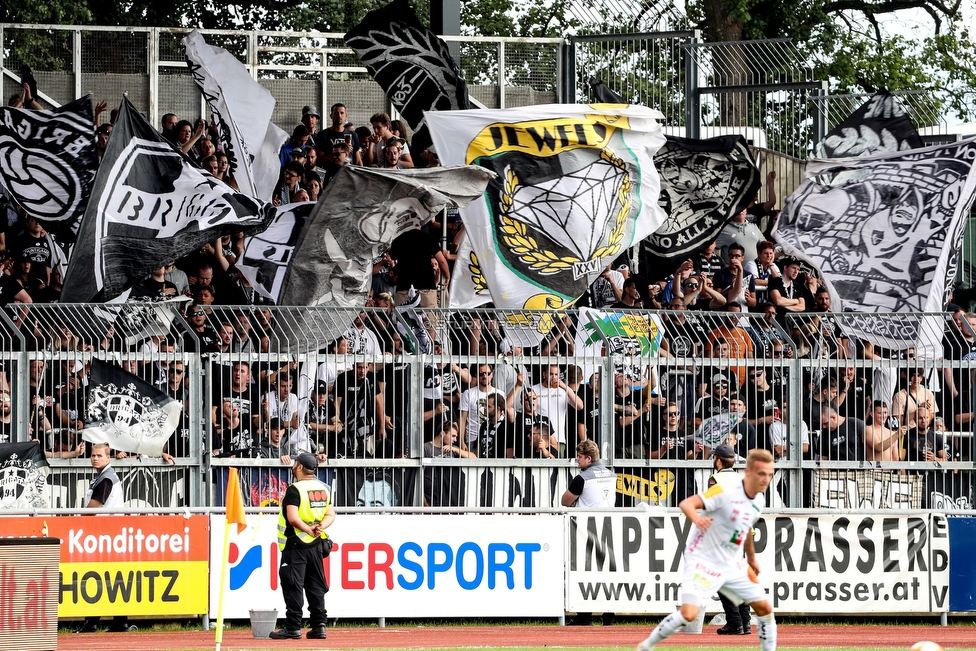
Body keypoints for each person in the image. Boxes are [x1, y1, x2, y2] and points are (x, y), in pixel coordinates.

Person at [636, 449, 777, 651]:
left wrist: (752, 559)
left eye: (770, 474)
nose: (766, 479)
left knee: (765, 609)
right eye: (761, 473)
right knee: (688, 614)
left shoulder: (759, 500)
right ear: (748, 472)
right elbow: (686, 504)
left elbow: (745, 529)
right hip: (703, 559)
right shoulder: (724, 492)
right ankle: (646, 646)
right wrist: (698, 519)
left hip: (731, 561)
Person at [269, 452, 334, 640]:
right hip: (316, 545)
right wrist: (319, 528)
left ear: (298, 467)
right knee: (316, 587)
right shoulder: (323, 489)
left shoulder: (294, 489)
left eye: (295, 462)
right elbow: (331, 515)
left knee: (293, 585)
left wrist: (307, 529)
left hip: (295, 545)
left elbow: (292, 518)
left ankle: (293, 627)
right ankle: (319, 626)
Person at [78, 443, 134, 633]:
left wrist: (75, 520)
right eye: (93, 455)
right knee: (109, 577)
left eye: (99, 455)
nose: (95, 458)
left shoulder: (106, 479)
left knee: (100, 577)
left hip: (105, 534)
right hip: (107, 534)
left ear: (108, 458)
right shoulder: (104, 476)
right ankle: (118, 621)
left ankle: (95, 621)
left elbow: (93, 508)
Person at [563, 439, 617, 626]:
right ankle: (609, 617)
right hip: (609, 528)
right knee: (607, 573)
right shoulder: (612, 475)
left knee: (585, 572)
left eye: (579, 457)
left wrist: (577, 502)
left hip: (587, 529)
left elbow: (565, 500)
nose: (577, 460)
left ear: (588, 458)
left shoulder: (582, 478)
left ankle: (585, 616)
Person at [706, 444, 754, 636]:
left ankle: (735, 623)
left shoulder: (715, 479)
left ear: (718, 460)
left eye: (713, 457)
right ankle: (745, 622)